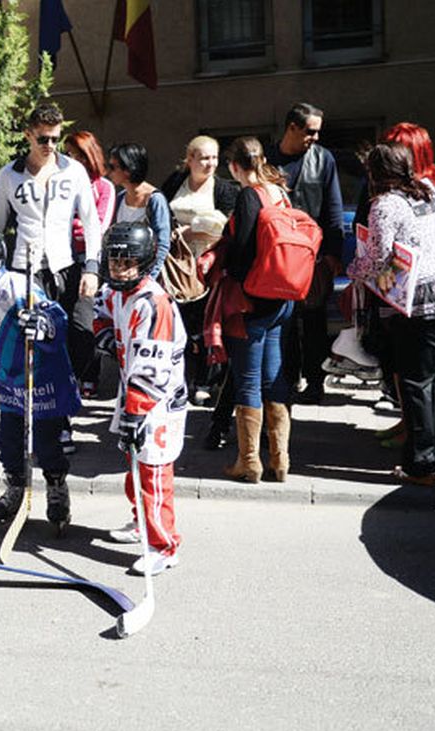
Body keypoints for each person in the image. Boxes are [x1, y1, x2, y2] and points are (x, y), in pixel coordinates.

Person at [348, 144, 435, 486]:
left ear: (374, 173)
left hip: (420, 300)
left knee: (417, 381)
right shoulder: (427, 189)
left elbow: (377, 259)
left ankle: (421, 463)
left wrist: (354, 269)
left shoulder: (385, 205)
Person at [0, 102, 102, 457]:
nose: (50, 145)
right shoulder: (10, 175)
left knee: (81, 337)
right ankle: (49, 424)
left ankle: (61, 407)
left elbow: (92, 222)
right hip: (27, 271)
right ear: (28, 135)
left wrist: (92, 268)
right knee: (36, 348)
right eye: (43, 139)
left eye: (55, 138)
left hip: (66, 267)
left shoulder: (74, 171)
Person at [0, 225, 81, 532]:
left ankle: (56, 489)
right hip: (11, 382)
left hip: (41, 379)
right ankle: (15, 488)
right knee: (9, 442)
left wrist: (42, 324)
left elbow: (56, 316)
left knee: (46, 442)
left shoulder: (15, 286)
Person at [92, 222, 186, 576]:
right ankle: (141, 522)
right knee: (133, 464)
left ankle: (164, 545)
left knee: (153, 471)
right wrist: (103, 333)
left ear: (143, 262)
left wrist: (136, 411)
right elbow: (100, 310)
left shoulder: (154, 303)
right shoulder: (115, 292)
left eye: (126, 262)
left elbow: (153, 369)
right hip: (130, 390)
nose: (118, 268)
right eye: (113, 261)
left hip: (156, 401)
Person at [219, 137, 298, 484]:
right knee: (273, 377)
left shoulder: (249, 196)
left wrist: (227, 269)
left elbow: (242, 249)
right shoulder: (280, 191)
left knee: (248, 380)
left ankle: (249, 461)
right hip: (282, 298)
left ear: (234, 166)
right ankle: (280, 460)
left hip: (253, 300)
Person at [266, 102, 346, 405]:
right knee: (282, 320)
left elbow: (333, 207)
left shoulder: (323, 159)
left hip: (312, 255)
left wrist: (333, 253)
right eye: (311, 131)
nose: (316, 137)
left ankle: (315, 382)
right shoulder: (267, 159)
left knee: (313, 321)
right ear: (292, 127)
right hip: (277, 256)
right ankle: (287, 379)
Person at [161, 136, 239, 439]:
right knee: (179, 324)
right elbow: (160, 211)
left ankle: (206, 382)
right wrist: (173, 233)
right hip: (178, 266)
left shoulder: (225, 189)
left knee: (208, 323)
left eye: (214, 158)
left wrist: (193, 230)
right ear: (190, 158)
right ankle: (180, 379)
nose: (210, 164)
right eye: (204, 158)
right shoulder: (175, 182)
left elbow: (227, 226)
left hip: (210, 265)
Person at [65, 130, 116, 399]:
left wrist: (72, 225)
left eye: (79, 156)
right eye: (69, 155)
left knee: (86, 322)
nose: (73, 161)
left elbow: (97, 226)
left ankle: (89, 375)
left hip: (89, 263)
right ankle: (67, 378)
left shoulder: (104, 187)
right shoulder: (62, 184)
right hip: (61, 260)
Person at [106, 143, 172, 279]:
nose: (108, 172)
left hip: (146, 276)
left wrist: (150, 278)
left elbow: (163, 244)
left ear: (128, 170)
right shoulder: (120, 198)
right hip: (122, 275)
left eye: (112, 167)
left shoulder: (155, 200)